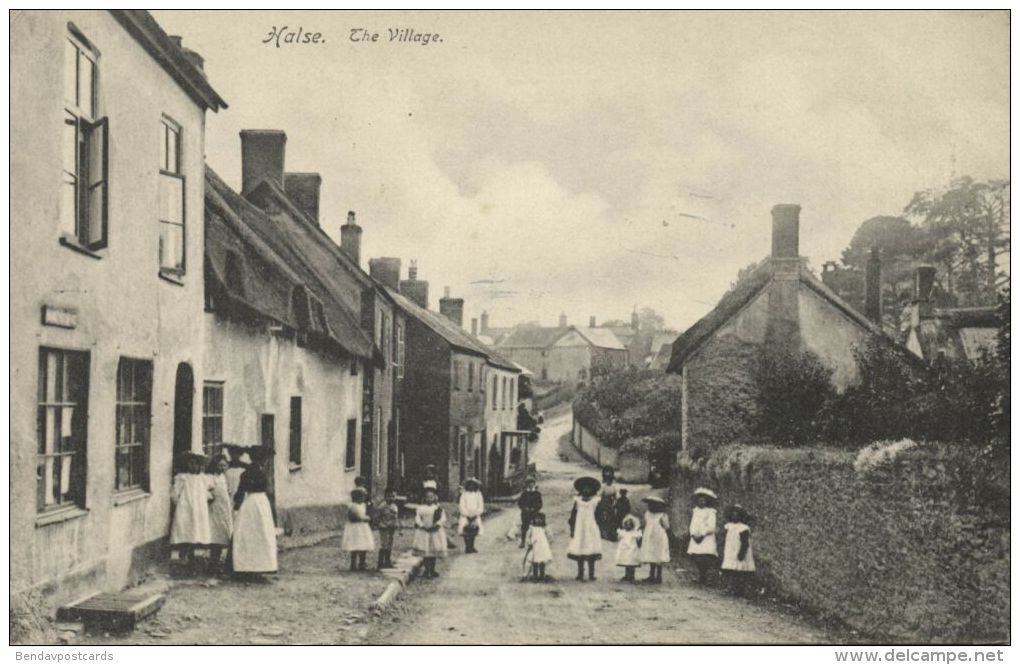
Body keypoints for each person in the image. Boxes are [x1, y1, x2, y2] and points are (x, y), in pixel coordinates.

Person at [232, 456, 278, 579]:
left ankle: (247, 567)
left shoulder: (245, 473)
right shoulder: (261, 473)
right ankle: (258, 567)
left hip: (250, 502)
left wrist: (237, 503)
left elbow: (240, 491)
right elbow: (267, 490)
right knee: (261, 532)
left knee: (248, 533)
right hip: (260, 502)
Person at [170, 452, 213, 570]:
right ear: (187, 464)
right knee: (185, 528)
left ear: (200, 466)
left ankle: (194, 554)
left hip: (199, 507)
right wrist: (178, 502)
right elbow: (175, 493)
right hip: (186, 505)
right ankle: (184, 552)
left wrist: (206, 499)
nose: (193, 466)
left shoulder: (203, 478)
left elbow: (207, 492)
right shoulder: (182, 477)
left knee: (197, 529)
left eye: (196, 464)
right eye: (191, 463)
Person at [567, 476, 602, 581]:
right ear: (581, 490)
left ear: (592, 490)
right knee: (580, 549)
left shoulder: (595, 501)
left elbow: (599, 515)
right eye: (584, 488)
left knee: (591, 549)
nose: (586, 490)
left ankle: (591, 574)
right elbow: (573, 515)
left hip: (591, 528)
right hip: (580, 529)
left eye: (589, 488)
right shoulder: (577, 501)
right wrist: (572, 528)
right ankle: (580, 573)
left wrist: (599, 526)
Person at [206, 454, 233, 573]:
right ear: (214, 465)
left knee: (224, 533)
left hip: (224, 509)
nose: (222, 468)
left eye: (224, 465)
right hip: (214, 509)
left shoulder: (223, 477)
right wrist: (210, 496)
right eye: (220, 465)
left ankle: (217, 562)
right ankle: (213, 563)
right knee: (215, 535)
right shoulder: (211, 477)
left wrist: (228, 491)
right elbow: (205, 490)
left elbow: (226, 491)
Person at [721, 505, 756, 596]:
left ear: (740, 517)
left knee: (739, 571)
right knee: (730, 570)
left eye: (737, 515)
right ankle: (731, 587)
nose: (734, 517)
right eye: (733, 515)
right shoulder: (728, 526)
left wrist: (741, 553)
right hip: (730, 550)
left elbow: (745, 543)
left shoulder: (743, 528)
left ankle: (739, 590)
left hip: (739, 550)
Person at [687, 487, 719, 585]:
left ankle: (705, 576)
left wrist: (702, 534)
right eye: (700, 500)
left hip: (706, 537)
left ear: (707, 501)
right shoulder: (695, 511)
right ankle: (701, 575)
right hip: (696, 536)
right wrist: (693, 534)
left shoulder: (710, 512)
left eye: (704, 500)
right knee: (697, 557)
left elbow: (711, 526)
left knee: (705, 557)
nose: (702, 502)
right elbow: (692, 524)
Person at [413, 488, 447, 578]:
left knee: (433, 551)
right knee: (426, 552)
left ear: (434, 498)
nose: (429, 499)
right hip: (424, 532)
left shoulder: (438, 508)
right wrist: (421, 525)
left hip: (434, 532)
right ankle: (426, 570)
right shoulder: (420, 508)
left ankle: (432, 569)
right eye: (427, 497)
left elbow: (443, 518)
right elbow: (417, 518)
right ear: (424, 498)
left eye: (431, 497)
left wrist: (437, 524)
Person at [341, 487, 375, 571]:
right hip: (355, 529)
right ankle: (353, 564)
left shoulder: (363, 505)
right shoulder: (353, 506)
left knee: (363, 546)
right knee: (354, 547)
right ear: (356, 497)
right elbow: (355, 517)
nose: (363, 498)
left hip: (362, 529)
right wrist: (366, 518)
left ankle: (362, 564)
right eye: (362, 496)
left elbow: (368, 510)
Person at [640, 494, 671, 584]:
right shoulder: (647, 514)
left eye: (653, 505)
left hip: (659, 537)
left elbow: (667, 527)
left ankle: (659, 576)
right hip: (649, 536)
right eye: (650, 505)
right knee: (651, 555)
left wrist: (663, 523)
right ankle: (651, 575)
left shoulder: (662, 515)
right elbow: (646, 524)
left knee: (658, 556)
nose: (651, 507)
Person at [374, 487, 400, 569]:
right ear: (385, 497)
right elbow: (377, 517)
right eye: (389, 496)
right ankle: (380, 563)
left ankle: (387, 561)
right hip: (384, 527)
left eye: (393, 496)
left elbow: (396, 517)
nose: (391, 498)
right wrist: (379, 524)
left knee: (389, 544)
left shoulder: (395, 506)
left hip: (391, 527)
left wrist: (398, 526)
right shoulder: (382, 506)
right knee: (384, 545)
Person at [458, 478, 485, 554]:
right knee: (465, 530)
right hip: (465, 515)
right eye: (469, 485)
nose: (471, 487)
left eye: (473, 485)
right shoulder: (464, 494)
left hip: (475, 515)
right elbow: (461, 505)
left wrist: (476, 514)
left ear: (475, 486)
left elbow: (480, 505)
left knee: (473, 530)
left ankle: (472, 546)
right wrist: (466, 514)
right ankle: (467, 546)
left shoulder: (478, 494)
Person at [523, 512, 552, 582]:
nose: (538, 520)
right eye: (536, 519)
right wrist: (529, 542)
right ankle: (535, 575)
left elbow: (549, 534)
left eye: (540, 519)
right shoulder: (532, 527)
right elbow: (528, 536)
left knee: (542, 561)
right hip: (535, 546)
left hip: (542, 546)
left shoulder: (544, 527)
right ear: (534, 519)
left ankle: (542, 575)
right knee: (535, 561)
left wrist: (549, 541)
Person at [517, 476, 543, 549]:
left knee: (534, 527)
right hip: (525, 513)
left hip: (534, 513)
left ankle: (533, 542)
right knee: (524, 527)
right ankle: (523, 542)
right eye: (529, 483)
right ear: (527, 485)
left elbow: (540, 503)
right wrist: (524, 508)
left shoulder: (537, 493)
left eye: (532, 483)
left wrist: (535, 509)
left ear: (534, 484)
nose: (530, 485)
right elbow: (520, 503)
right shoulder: (524, 494)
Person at [615, 515, 643, 582]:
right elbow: (619, 538)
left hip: (632, 549)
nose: (628, 526)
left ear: (632, 525)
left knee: (632, 562)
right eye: (627, 524)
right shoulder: (623, 532)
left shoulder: (634, 533)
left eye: (630, 525)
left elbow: (639, 538)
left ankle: (632, 576)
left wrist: (638, 539)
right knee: (627, 562)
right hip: (625, 550)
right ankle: (627, 575)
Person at [596, 466, 619, 541]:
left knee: (612, 517)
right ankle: (603, 532)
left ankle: (611, 533)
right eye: (607, 480)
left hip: (611, 503)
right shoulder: (603, 486)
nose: (609, 481)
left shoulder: (613, 486)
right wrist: (599, 502)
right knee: (603, 517)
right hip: (604, 503)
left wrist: (615, 502)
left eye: (610, 480)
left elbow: (616, 496)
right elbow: (599, 495)